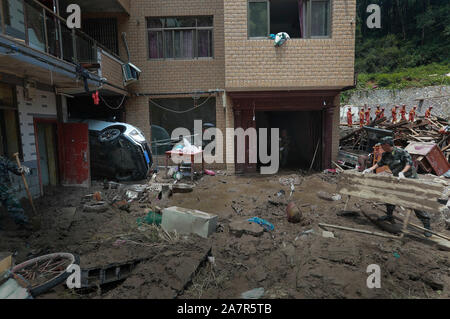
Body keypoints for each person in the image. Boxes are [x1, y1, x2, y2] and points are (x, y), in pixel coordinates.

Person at [363, 137, 432, 237]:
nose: (381, 147)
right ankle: (389, 216)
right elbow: (380, 163)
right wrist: (370, 169)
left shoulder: (402, 152)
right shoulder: (385, 154)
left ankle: (427, 226)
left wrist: (402, 173)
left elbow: (409, 163)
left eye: (382, 145)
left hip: (410, 179)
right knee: (390, 197)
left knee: (415, 202)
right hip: (398, 180)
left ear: (387, 144)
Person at [0, 155, 30, 229]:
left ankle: (23, 224)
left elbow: (15, 168)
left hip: (5, 190)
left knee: (14, 205)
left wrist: (23, 169)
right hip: (5, 189)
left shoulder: (2, 160)